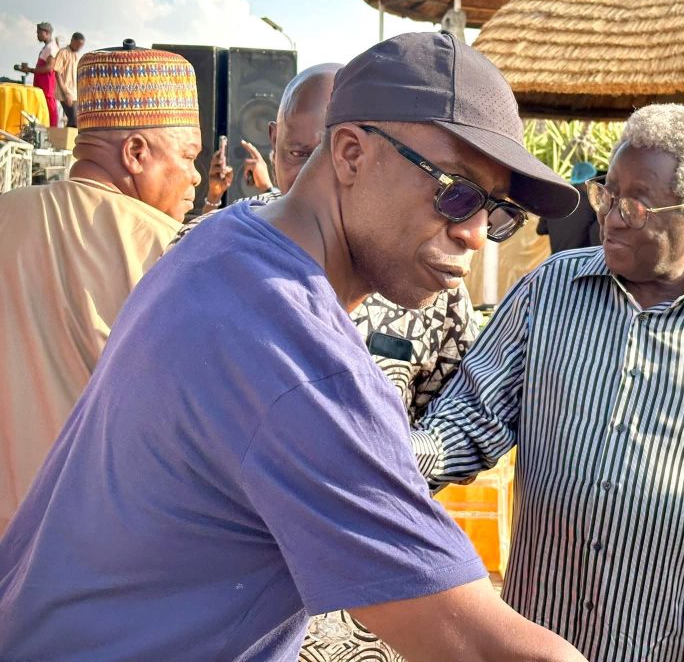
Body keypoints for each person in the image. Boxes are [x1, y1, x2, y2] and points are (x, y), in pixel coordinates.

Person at [0, 32, 585, 662]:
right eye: (457, 192)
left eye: (496, 212)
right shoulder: (300, 360)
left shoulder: (224, 241)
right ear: (352, 154)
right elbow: (477, 645)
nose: (474, 233)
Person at [411, 104, 684, 662]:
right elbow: (471, 415)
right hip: (543, 635)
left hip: (674, 643)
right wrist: (388, 461)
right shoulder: (547, 291)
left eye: (634, 205)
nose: (611, 218)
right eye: (606, 194)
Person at [173, 64, 481, 662]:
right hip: (239, 617)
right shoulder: (211, 247)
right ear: (273, 141)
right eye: (299, 153)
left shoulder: (429, 277)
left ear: (359, 154)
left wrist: (378, 465)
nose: (321, 174)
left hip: (371, 618)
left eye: (330, 154)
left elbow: (456, 412)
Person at [0, 40, 202, 535]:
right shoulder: (176, 254)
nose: (196, 177)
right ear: (135, 153)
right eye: (188, 155)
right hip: (108, 556)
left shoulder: (6, 215)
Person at [536, 161, 601, 253]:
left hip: (557, 258)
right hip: (581, 258)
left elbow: (540, 229)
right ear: (589, 181)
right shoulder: (591, 203)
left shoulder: (553, 200)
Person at [15, 22, 59, 125]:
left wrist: (30, 70)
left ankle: (53, 130)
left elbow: (49, 68)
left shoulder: (52, 48)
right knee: (41, 108)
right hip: (41, 85)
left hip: (47, 85)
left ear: (47, 33)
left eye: (39, 32)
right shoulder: (46, 47)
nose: (37, 35)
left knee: (50, 108)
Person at [53, 31, 86, 127]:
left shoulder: (76, 55)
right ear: (72, 41)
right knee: (74, 120)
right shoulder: (63, 52)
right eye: (78, 45)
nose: (79, 47)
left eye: (81, 46)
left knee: (74, 121)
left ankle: (66, 137)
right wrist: (65, 93)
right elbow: (57, 73)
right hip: (65, 92)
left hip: (74, 93)